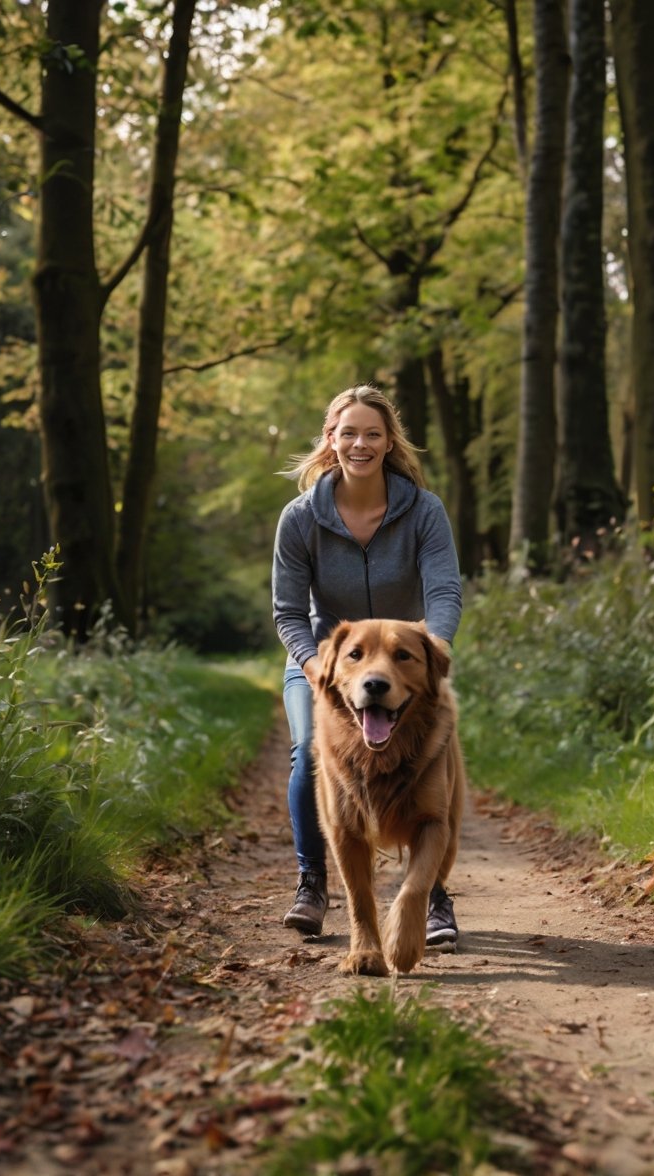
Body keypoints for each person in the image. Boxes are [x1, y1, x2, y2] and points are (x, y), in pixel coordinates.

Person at [271, 384, 463, 945]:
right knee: (308, 752)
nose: (360, 443)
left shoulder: (423, 511)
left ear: (388, 441)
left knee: (433, 762)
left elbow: (445, 591)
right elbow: (287, 613)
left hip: (403, 662)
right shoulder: (300, 518)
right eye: (348, 432)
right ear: (331, 440)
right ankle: (312, 882)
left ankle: (433, 894)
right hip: (326, 663)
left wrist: (433, 649)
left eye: (372, 433)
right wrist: (314, 668)